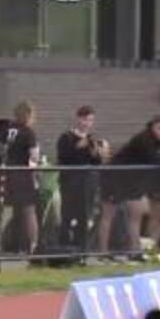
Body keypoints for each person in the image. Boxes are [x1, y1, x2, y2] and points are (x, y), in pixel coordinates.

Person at [100, 115, 160, 259]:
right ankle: (102, 253)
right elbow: (156, 161)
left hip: (132, 180)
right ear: (152, 127)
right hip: (115, 177)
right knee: (108, 215)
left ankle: (135, 251)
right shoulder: (144, 139)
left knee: (136, 214)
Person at [56, 106, 108, 250]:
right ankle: (63, 247)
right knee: (67, 215)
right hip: (69, 183)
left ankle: (82, 249)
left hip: (87, 184)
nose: (87, 123)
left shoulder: (92, 139)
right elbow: (64, 158)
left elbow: (95, 163)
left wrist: (97, 154)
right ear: (78, 119)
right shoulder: (66, 137)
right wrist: (78, 147)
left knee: (84, 216)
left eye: (90, 120)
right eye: (84, 119)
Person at [1, 101, 40, 255]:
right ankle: (33, 246)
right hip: (23, 175)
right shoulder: (28, 132)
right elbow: (34, 156)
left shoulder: (8, 130)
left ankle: (1, 245)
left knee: (8, 211)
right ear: (28, 115)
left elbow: (1, 149)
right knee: (29, 210)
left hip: (9, 173)